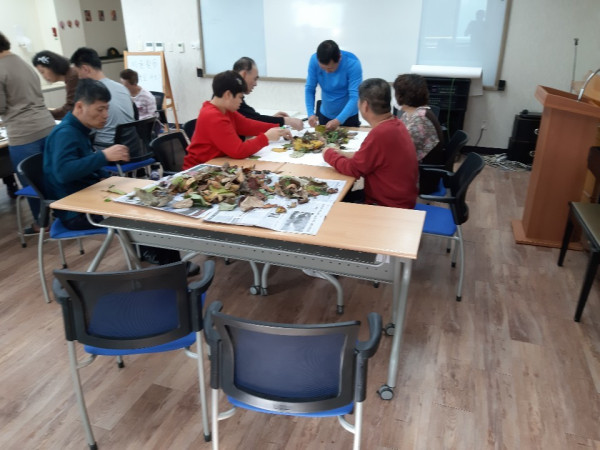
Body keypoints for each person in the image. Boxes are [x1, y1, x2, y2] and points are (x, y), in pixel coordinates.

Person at [43, 79, 196, 273]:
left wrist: (101, 172)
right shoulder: (65, 133)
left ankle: (154, 254)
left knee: (149, 200)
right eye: (100, 110)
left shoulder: (79, 130)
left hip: (90, 197)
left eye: (107, 109)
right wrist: (103, 156)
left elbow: (83, 164)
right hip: (75, 211)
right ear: (80, 107)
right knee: (147, 213)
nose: (105, 115)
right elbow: (63, 173)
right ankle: (171, 269)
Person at [323, 78, 418, 209]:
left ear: (365, 105)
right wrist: (345, 154)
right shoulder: (396, 124)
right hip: (400, 199)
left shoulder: (380, 133)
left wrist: (328, 154)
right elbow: (373, 158)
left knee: (331, 203)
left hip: (387, 206)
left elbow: (353, 169)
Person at [0, 31, 55, 231]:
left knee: (30, 180)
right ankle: (61, 213)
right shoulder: (23, 63)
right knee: (50, 175)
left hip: (24, 132)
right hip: (46, 125)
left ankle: (41, 223)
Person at [183, 70, 292, 169]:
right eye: (240, 97)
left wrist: (277, 128)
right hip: (197, 171)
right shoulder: (213, 116)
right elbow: (238, 151)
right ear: (228, 95)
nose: (241, 101)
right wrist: (266, 137)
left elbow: (248, 125)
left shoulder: (225, 110)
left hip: (216, 164)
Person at [70, 47, 134, 148]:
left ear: (85, 69)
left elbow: (83, 127)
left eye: (78, 73)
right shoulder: (122, 88)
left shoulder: (91, 94)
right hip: (132, 146)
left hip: (107, 149)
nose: (78, 77)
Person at [393, 73, 445, 194]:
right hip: (420, 170)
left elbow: (400, 154)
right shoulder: (415, 112)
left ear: (401, 96)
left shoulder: (419, 120)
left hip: (423, 178)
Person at [305, 40, 362, 131]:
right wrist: (310, 114)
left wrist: (339, 120)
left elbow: (355, 97)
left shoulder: (353, 63)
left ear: (339, 58)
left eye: (330, 68)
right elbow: (309, 89)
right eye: (323, 68)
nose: (327, 72)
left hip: (349, 116)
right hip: (325, 114)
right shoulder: (314, 60)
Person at [233, 57, 303, 131]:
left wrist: (273, 119)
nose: (255, 84)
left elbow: (253, 119)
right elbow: (252, 120)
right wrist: (285, 121)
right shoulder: (232, 96)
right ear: (244, 74)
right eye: (255, 79)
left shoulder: (235, 93)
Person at [32, 50, 79, 119]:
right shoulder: (71, 74)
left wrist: (45, 113)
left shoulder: (73, 77)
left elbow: (71, 108)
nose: (43, 76)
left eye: (42, 72)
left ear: (52, 66)